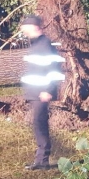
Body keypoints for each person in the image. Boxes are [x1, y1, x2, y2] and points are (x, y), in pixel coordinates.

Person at [19, 15, 65, 170]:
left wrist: (48, 90)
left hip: (41, 93)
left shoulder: (44, 44)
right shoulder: (36, 44)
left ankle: (42, 160)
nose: (23, 31)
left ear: (33, 26)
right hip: (35, 93)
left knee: (40, 124)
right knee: (38, 124)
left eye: (25, 27)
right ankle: (40, 160)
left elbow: (53, 69)